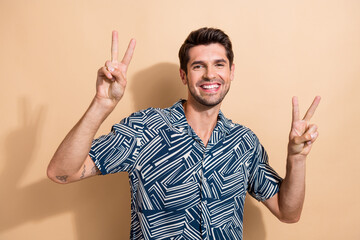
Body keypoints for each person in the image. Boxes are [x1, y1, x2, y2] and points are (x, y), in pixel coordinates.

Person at [47, 27, 321, 239]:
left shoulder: (244, 143)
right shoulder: (145, 130)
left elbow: (288, 212)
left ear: (231, 72)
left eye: (219, 64)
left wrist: (296, 157)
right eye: (198, 66)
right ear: (183, 75)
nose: (210, 75)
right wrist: (102, 104)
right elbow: (62, 172)